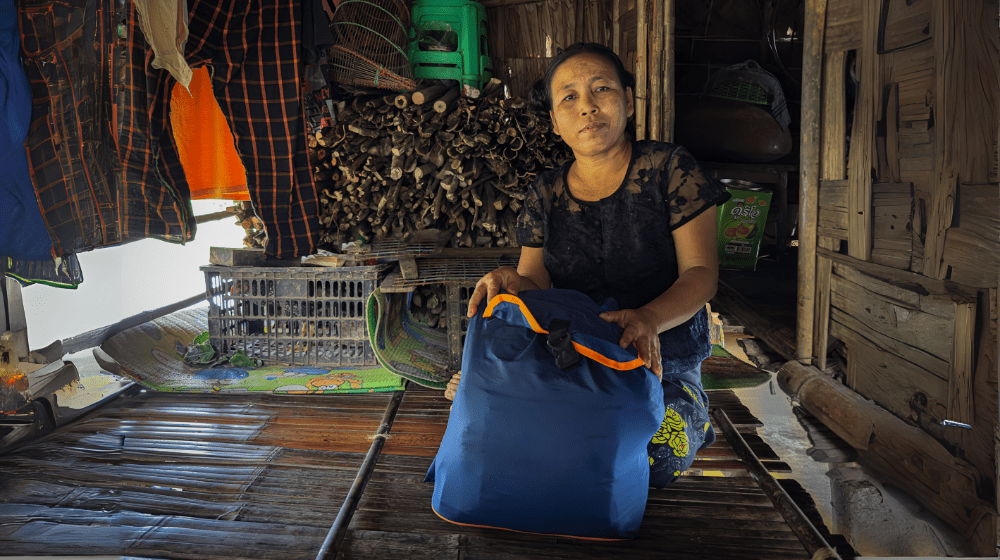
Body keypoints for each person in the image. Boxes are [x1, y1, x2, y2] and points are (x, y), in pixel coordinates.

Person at [446, 42, 730, 487]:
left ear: (629, 101)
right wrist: (511, 280)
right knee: (509, 433)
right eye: (569, 97)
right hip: (576, 358)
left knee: (651, 457)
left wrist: (650, 319)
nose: (588, 107)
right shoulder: (546, 193)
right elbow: (535, 281)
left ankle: (691, 409)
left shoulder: (670, 168)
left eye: (602, 88)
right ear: (556, 121)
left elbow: (702, 275)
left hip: (662, 361)